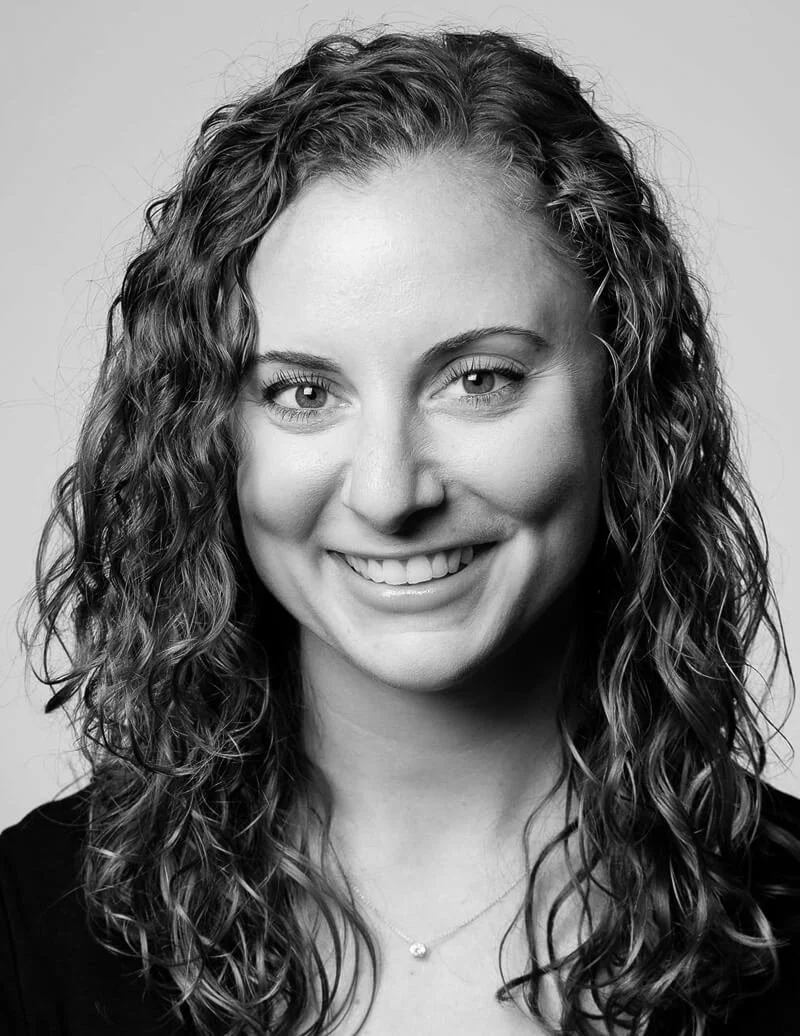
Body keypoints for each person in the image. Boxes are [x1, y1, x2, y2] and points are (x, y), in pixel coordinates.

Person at [2, 24, 799, 1036]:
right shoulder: (27, 932)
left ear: (625, 394)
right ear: (212, 435)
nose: (387, 492)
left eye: (478, 380)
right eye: (300, 390)